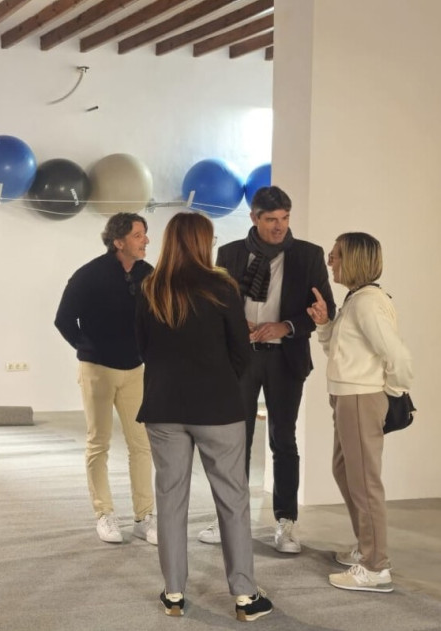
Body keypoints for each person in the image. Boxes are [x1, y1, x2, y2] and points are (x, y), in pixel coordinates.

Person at [136, 212, 273, 622]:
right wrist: (222, 380)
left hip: (164, 407)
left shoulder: (150, 287)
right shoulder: (222, 286)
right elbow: (241, 351)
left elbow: (143, 348)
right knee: (232, 500)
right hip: (218, 408)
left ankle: (174, 594)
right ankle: (245, 597)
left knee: (170, 499)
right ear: (202, 242)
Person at [205, 186, 335, 553]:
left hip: (285, 358)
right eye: (271, 219)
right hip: (241, 358)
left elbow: (325, 309)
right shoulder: (230, 254)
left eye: (285, 218)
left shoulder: (308, 255)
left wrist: (286, 326)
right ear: (254, 218)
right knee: (236, 440)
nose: (280, 226)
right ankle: (230, 518)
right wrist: (237, 324)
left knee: (284, 439)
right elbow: (217, 307)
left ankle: (286, 522)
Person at [306, 233, 412, 593]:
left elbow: (399, 357)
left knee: (365, 482)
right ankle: (367, 548)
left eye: (335, 255)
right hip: (347, 397)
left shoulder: (368, 303)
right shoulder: (356, 299)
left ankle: (375, 566)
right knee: (345, 471)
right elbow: (340, 352)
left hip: (360, 398)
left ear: (353, 259)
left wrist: (392, 393)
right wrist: (325, 323)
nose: (330, 261)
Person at [54, 212, 156, 546]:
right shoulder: (88, 275)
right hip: (97, 370)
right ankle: (104, 513)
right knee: (99, 442)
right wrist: (88, 348)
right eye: (138, 235)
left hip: (135, 371)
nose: (146, 240)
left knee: (141, 444)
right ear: (119, 241)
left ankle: (144, 517)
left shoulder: (148, 274)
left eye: (144, 234)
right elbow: (64, 320)